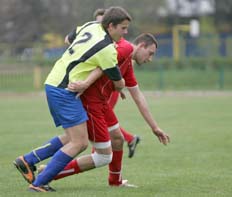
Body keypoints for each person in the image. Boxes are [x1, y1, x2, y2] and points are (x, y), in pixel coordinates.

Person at [13, 6, 132, 192]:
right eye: (123, 28)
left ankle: (27, 160)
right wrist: (119, 82)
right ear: (111, 26)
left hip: (54, 80)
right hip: (65, 89)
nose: (126, 32)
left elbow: (69, 38)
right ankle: (39, 182)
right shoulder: (108, 50)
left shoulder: (91, 25)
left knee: (71, 137)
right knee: (80, 142)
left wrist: (80, 59)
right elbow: (117, 82)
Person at [39, 33, 170, 187]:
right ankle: (49, 173)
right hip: (89, 102)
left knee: (117, 139)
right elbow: (102, 64)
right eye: (150, 53)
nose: (150, 59)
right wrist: (86, 83)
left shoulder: (127, 63)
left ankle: (115, 182)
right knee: (100, 155)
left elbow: (138, 96)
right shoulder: (123, 48)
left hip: (101, 103)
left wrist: (154, 127)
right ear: (141, 46)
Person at [74, 7, 141, 158]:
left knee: (96, 129)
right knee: (94, 129)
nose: (100, 26)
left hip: (106, 92)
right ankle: (128, 139)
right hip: (98, 92)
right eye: (98, 22)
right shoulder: (96, 37)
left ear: (110, 24)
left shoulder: (117, 46)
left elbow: (107, 66)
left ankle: (103, 152)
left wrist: (86, 83)